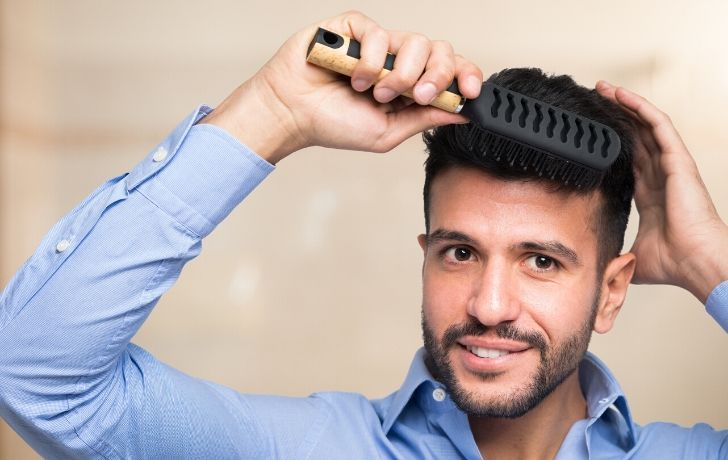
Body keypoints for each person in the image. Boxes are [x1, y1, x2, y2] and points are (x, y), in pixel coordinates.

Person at [0, 10, 726, 459]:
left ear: (612, 291)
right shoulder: (311, 450)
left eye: (541, 260)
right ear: (425, 259)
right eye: (461, 252)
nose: (490, 305)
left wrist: (708, 264)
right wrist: (272, 113)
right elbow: (36, 377)